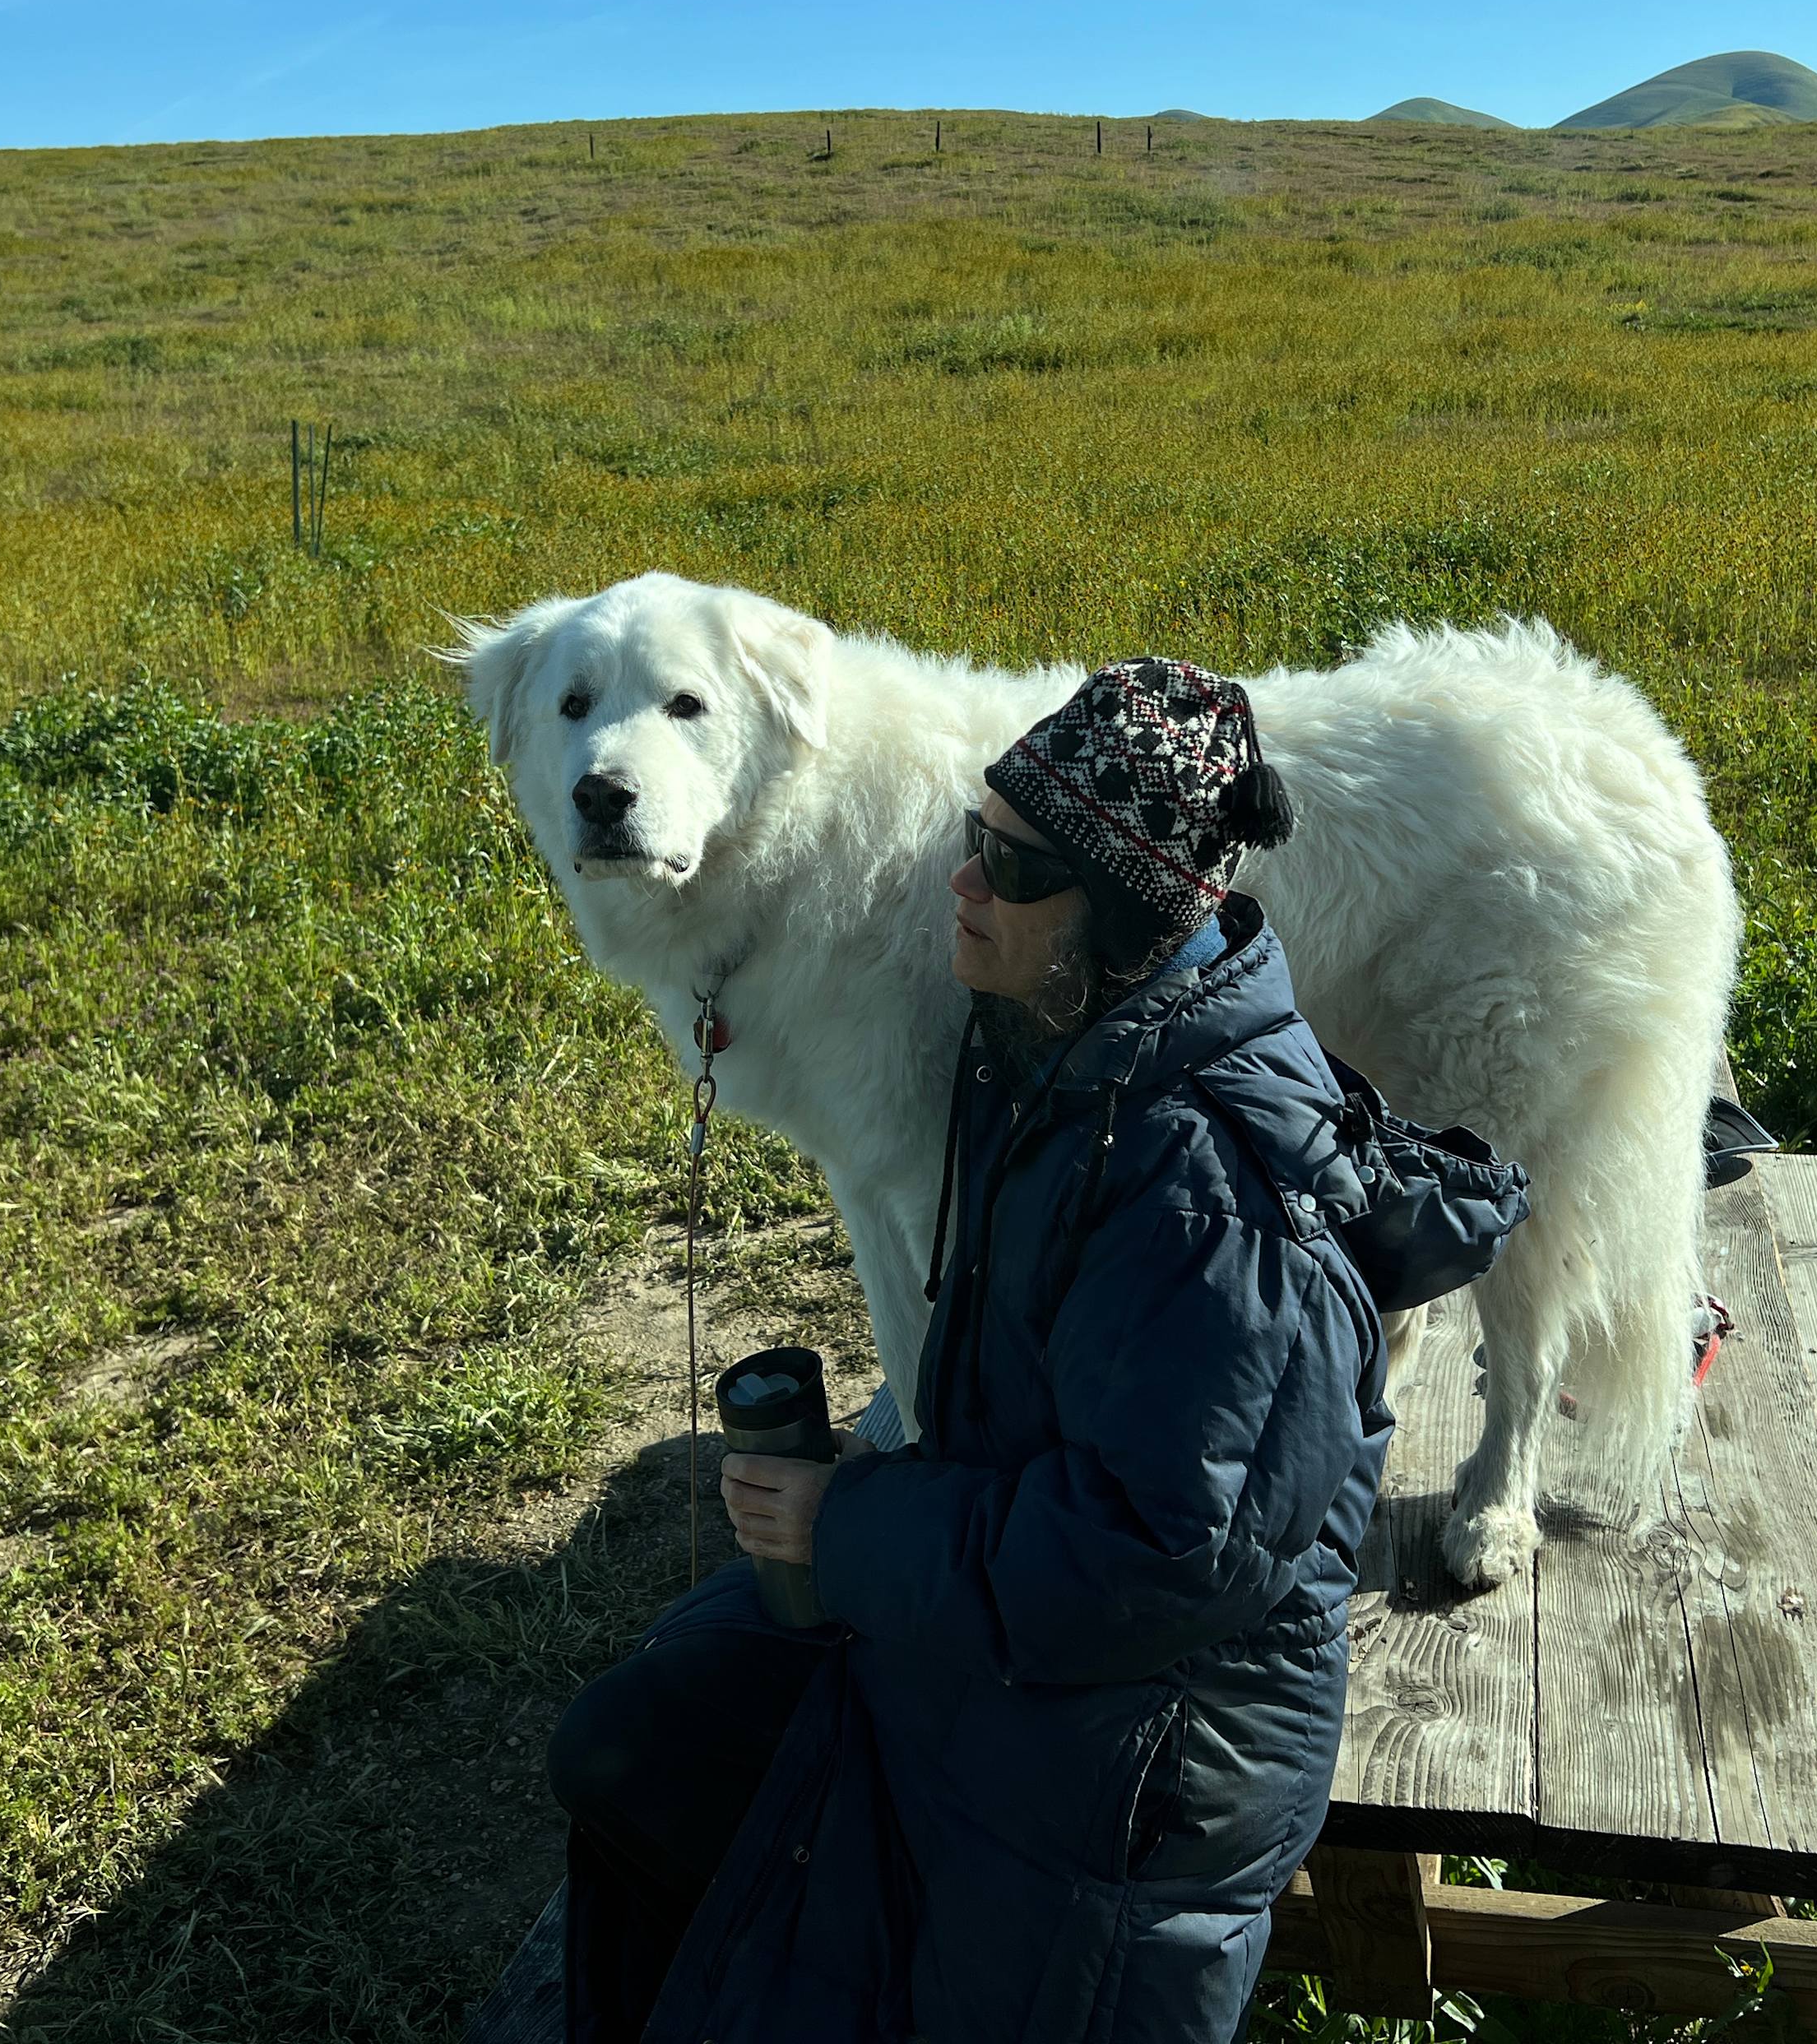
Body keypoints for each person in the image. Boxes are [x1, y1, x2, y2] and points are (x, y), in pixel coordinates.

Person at [548, 656, 1395, 2044]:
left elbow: (1152, 1560)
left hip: (1148, 1751)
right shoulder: (1058, 1040)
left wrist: (851, 1531)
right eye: (968, 842)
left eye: (1009, 868)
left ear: (1114, 913)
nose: (961, 885)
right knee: (622, 1753)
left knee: (773, 1894)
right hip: (1014, 1622)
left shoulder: (1210, 1198)